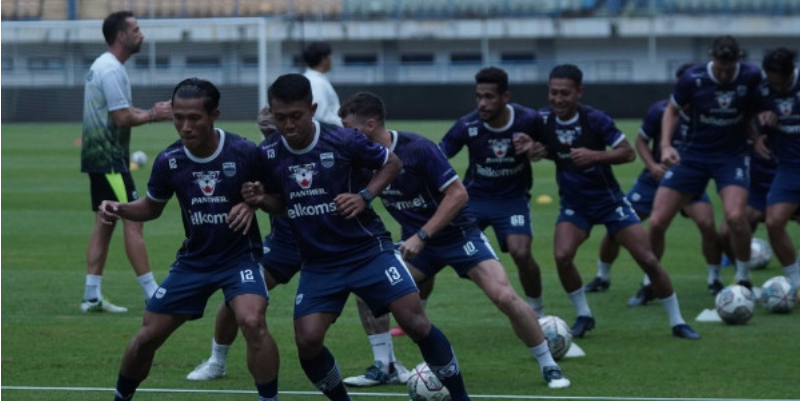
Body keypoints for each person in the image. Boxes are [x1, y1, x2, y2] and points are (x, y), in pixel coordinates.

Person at [244, 73, 471, 401]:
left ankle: (461, 397)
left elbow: (392, 163)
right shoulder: (268, 153)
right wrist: (261, 200)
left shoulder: (343, 140)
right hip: (319, 263)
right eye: (281, 118)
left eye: (296, 116)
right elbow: (281, 205)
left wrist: (364, 195)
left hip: (368, 250)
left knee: (414, 322)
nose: (289, 125)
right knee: (307, 341)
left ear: (313, 108)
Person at [338, 92, 570, 389]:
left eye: (348, 128)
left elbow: (459, 194)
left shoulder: (418, 148)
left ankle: (549, 365)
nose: (343, 136)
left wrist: (423, 235)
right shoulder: (358, 159)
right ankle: (387, 366)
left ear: (369, 125)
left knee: (504, 297)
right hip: (417, 246)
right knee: (367, 289)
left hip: (458, 236)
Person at [103, 78, 280, 401]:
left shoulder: (244, 152)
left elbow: (277, 200)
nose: (184, 126)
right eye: (178, 118)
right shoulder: (169, 161)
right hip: (194, 262)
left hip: (240, 258)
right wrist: (121, 208)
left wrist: (254, 201)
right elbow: (151, 208)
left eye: (194, 118)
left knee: (252, 321)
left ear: (214, 115)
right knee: (146, 338)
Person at [513, 64, 701, 340]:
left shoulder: (595, 119)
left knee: (647, 259)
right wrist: (531, 148)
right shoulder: (541, 120)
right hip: (574, 204)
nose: (558, 99)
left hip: (609, 202)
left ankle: (677, 322)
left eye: (565, 93)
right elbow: (525, 142)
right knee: (563, 256)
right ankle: (584, 315)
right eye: (553, 93)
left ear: (579, 92)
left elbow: (627, 153)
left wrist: (594, 156)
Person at [584, 64, 723, 304]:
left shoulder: (709, 110)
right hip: (654, 180)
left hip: (690, 180)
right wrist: (652, 165)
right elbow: (640, 142)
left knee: (708, 224)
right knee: (617, 225)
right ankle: (602, 276)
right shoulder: (660, 111)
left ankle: (714, 279)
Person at [185, 108, 304, 381]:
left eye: (273, 133)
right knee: (237, 295)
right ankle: (217, 361)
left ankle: (386, 362)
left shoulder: (318, 149)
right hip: (285, 244)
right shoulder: (259, 156)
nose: (269, 140)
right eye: (265, 134)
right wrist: (250, 203)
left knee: (369, 291)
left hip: (326, 242)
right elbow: (246, 193)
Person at [647, 35, 762, 290]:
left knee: (734, 217)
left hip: (732, 156)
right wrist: (666, 145)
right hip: (693, 154)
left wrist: (759, 133)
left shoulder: (752, 76)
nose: (723, 74)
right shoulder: (693, 78)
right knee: (656, 221)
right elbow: (672, 110)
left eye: (729, 69)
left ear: (738, 60)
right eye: (720, 68)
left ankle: (743, 277)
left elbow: (758, 109)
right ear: (711, 57)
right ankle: (651, 281)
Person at [80, 11, 172, 313]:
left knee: (104, 223)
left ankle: (91, 295)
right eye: (136, 29)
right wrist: (154, 114)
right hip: (109, 161)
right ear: (121, 35)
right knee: (135, 219)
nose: (141, 34)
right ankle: (153, 293)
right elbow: (121, 117)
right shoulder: (110, 70)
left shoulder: (107, 67)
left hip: (101, 158)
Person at [439, 67, 546, 318]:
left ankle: (539, 315)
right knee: (431, 248)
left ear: (505, 97)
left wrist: (537, 148)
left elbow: (548, 146)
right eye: (479, 96)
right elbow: (438, 155)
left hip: (512, 200)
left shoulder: (528, 119)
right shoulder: (468, 124)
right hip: (473, 199)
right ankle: (415, 314)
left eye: (489, 97)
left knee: (521, 252)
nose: (482, 103)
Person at [757, 48, 800, 289]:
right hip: (789, 168)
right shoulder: (763, 89)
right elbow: (750, 118)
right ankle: (796, 282)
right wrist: (760, 128)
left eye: (781, 83)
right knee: (773, 222)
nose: (777, 88)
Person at [303, 41, 343, 127]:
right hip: (327, 133)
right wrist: (344, 124)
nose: (331, 60)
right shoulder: (316, 83)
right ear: (324, 59)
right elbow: (319, 115)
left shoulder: (312, 79)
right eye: (329, 57)